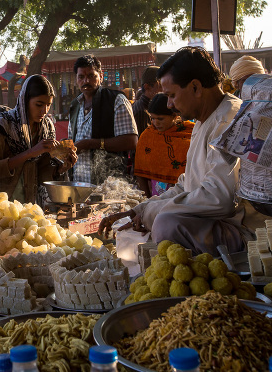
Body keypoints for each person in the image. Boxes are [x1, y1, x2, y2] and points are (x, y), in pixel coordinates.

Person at [101, 47, 249, 255]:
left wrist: (154, 212)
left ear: (196, 87)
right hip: (211, 224)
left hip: (235, 229)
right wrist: (141, 209)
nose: (169, 104)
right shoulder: (204, 118)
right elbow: (188, 183)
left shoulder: (228, 119)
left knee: (166, 224)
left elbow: (218, 197)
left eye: (171, 95)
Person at [0, 75, 77, 205]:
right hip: (3, 202)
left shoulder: (46, 127)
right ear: (25, 100)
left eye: (48, 105)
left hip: (32, 202)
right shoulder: (1, 123)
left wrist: (61, 167)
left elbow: (43, 168)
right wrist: (30, 152)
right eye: (39, 104)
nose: (44, 111)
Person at [68, 55, 138, 184]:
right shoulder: (75, 105)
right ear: (76, 79)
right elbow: (73, 141)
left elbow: (131, 141)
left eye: (91, 76)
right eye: (81, 77)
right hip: (78, 182)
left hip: (108, 183)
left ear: (101, 76)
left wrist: (89, 144)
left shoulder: (116, 100)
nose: (86, 81)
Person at [133, 93, 194, 197]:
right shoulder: (148, 136)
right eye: (152, 118)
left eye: (160, 119)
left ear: (174, 115)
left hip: (186, 193)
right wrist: (146, 200)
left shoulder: (191, 132)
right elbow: (140, 172)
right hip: (156, 197)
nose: (156, 123)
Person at [132, 66, 162, 136]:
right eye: (160, 86)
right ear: (147, 87)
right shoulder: (142, 112)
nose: (164, 90)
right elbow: (146, 141)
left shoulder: (146, 106)